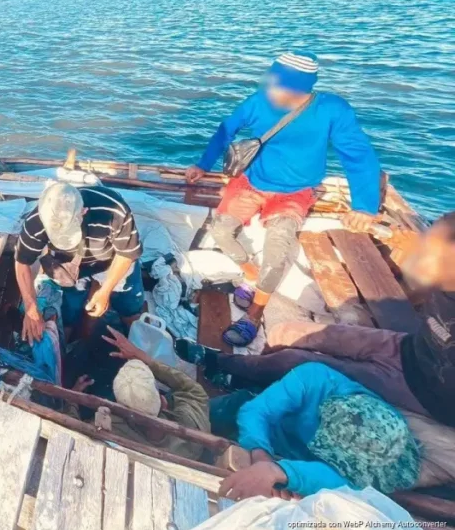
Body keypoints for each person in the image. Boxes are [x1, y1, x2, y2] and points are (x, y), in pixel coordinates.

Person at [183, 51, 381, 346]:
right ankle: (251, 275)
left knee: (277, 251)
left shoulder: (332, 109)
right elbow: (225, 131)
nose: (270, 90)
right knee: (221, 230)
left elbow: (358, 154)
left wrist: (364, 206)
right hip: (251, 181)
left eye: (278, 85)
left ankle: (254, 314)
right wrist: (203, 164)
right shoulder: (258, 101)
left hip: (295, 192)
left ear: (299, 87)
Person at [199, 212, 455, 429]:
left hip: (421, 389)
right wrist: (373, 223)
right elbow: (413, 246)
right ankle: (262, 374)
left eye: (433, 254)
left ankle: (221, 362)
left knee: (295, 361)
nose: (421, 259)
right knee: (286, 333)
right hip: (408, 347)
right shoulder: (440, 275)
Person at [217, 362, 420, 500]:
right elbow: (257, 411)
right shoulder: (313, 378)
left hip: (293, 467)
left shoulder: (387, 447)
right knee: (227, 410)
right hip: (268, 434)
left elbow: (347, 483)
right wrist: (261, 456)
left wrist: (283, 473)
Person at [14, 182, 143, 343]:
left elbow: (126, 254)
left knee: (129, 306)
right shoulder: (36, 222)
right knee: (71, 309)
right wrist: (31, 307)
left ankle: (134, 343)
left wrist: (105, 290)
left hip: (112, 259)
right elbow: (22, 263)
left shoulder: (114, 210)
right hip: (70, 264)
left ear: (83, 211)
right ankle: (70, 341)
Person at [99, 328, 211, 460]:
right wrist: (144, 358)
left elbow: (85, 427)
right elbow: (193, 389)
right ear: (163, 402)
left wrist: (75, 406)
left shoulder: (111, 427)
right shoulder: (192, 425)